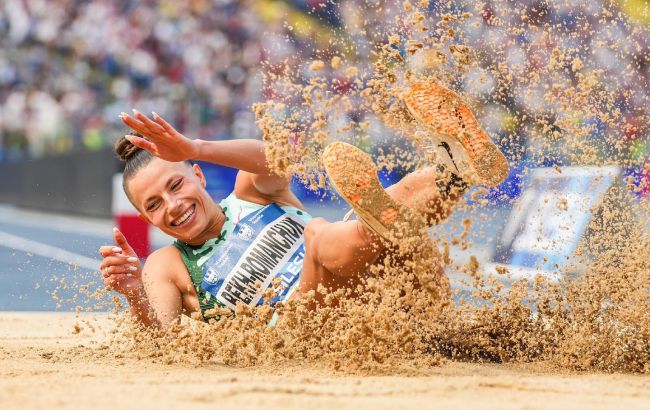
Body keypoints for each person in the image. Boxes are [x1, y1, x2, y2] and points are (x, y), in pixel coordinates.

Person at [99, 81, 509, 328]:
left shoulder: (251, 193)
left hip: (398, 302)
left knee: (390, 207)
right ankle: (406, 205)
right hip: (316, 334)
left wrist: (196, 147)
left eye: (175, 185)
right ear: (145, 217)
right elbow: (161, 339)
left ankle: (457, 170)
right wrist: (134, 293)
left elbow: (278, 159)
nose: (172, 205)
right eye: (154, 205)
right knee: (319, 234)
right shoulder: (167, 264)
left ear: (199, 176)